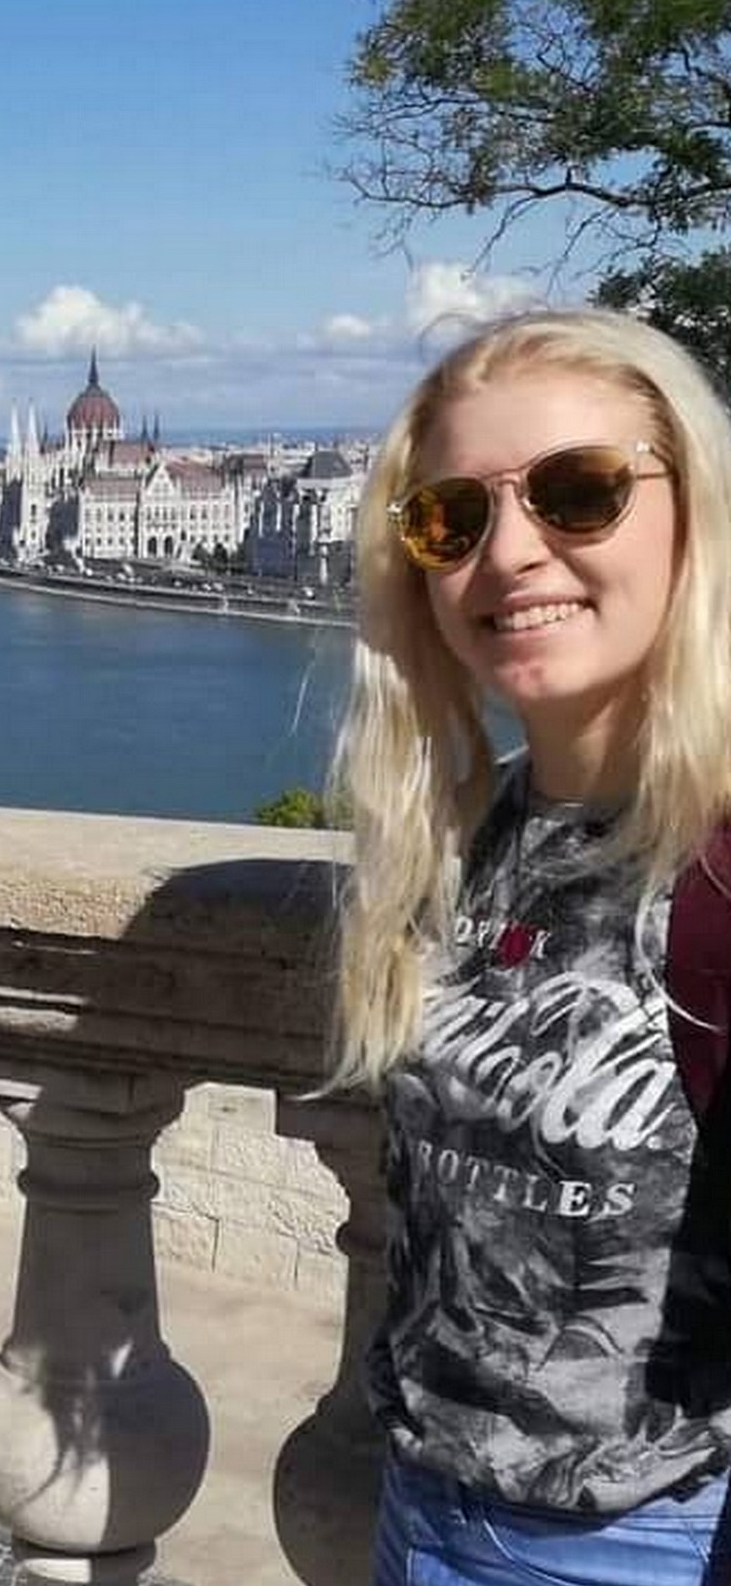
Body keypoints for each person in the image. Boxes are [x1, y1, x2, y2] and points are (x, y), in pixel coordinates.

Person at [333, 307, 731, 1585]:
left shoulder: (719, 860)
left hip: (653, 1539)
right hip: (420, 1511)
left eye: (579, 492)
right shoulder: (461, 839)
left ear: (693, 512)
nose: (510, 553)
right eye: (451, 518)